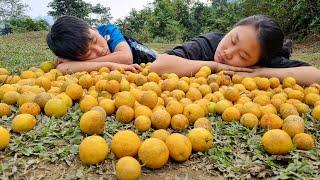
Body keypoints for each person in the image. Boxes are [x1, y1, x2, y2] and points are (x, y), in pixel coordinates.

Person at [150, 15, 320, 86]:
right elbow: (159, 65)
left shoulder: (264, 61)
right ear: (231, 30)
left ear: (257, 60)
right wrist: (215, 67)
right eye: (232, 40)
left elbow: (315, 75)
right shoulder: (208, 44)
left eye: (243, 55)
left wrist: (259, 73)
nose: (228, 52)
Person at [46, 16, 156, 74]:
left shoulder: (108, 30)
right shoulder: (72, 51)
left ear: (92, 28)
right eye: (88, 53)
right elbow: (62, 68)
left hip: (158, 58)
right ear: (75, 57)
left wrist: (81, 63)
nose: (99, 50)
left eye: (94, 40)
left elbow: (126, 58)